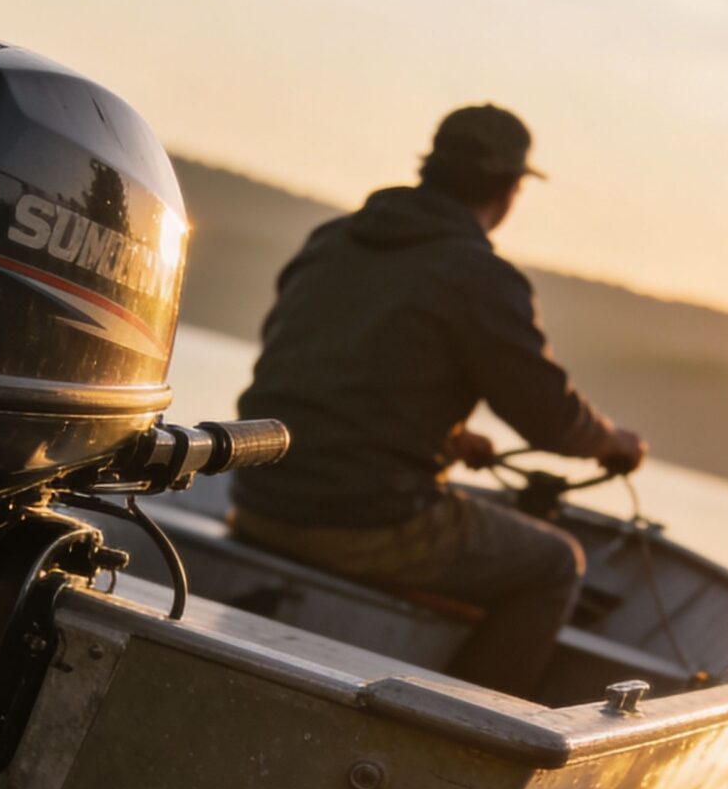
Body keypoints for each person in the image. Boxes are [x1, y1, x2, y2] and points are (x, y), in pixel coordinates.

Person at [228, 104, 647, 697]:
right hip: (363, 519)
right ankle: (473, 734)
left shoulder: (332, 239)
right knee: (555, 565)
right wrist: (614, 442)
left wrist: (446, 438)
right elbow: (552, 421)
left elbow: (315, 374)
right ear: (508, 190)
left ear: (431, 167)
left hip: (257, 497)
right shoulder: (479, 275)